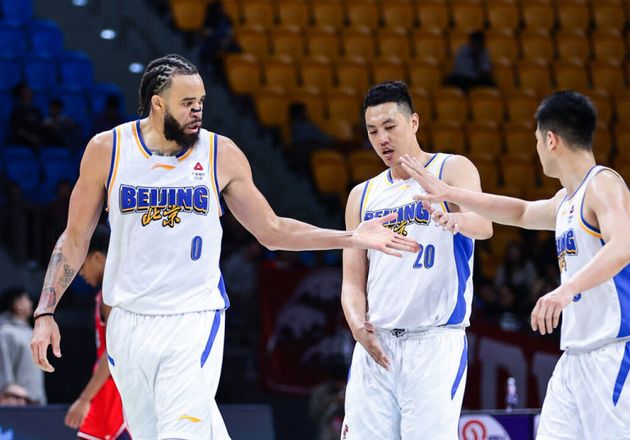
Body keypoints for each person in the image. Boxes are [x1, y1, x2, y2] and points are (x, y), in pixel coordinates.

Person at [29, 54, 418, 440]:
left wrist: (352, 237)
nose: (198, 111)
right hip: (127, 321)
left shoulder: (220, 153)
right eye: (187, 103)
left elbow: (272, 230)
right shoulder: (108, 149)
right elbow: (74, 238)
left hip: (192, 318)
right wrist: (46, 310)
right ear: (158, 104)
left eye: (201, 101)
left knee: (182, 435)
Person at [401, 90, 630, 439]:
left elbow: (624, 246)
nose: (536, 149)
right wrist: (450, 193)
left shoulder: (604, 184)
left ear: (551, 140)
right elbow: (521, 212)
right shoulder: (567, 200)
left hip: (617, 353)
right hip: (575, 359)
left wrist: (565, 290)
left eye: (537, 140)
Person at [340, 81, 492, 439]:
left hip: (434, 343)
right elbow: (351, 280)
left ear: (414, 123)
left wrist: (451, 218)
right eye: (372, 131)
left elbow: (484, 225)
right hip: (376, 345)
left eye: (390, 126)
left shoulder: (452, 169)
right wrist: (356, 325)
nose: (382, 139)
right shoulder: (362, 195)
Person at [64, 226, 130, 440]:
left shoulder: (113, 294)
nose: (81, 273)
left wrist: (85, 399)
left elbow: (113, 352)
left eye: (82, 266)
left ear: (98, 258)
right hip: (107, 385)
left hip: (116, 389)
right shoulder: (106, 293)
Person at [0, 287, 46, 405]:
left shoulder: (29, 331)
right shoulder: (6, 332)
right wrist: (7, 389)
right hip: (16, 404)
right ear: (17, 305)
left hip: (34, 402)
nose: (30, 303)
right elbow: (4, 367)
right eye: (26, 299)